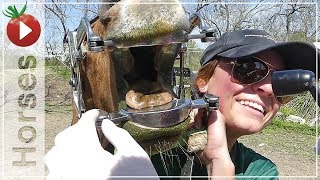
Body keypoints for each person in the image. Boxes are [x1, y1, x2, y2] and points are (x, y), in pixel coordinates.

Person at [45, 29, 318, 179]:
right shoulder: (144, 144)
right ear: (204, 80)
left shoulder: (260, 173)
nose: (268, 88)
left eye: (281, 81)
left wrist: (220, 166)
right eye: (249, 69)